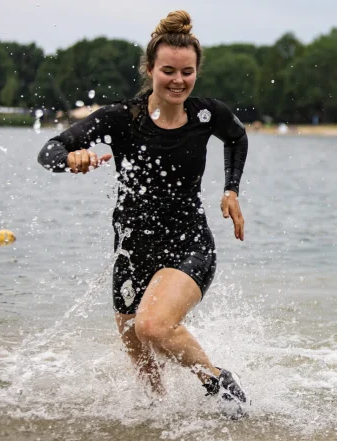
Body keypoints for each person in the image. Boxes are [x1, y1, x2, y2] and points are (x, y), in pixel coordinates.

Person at [37, 10, 249, 418]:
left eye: (187, 72)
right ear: (150, 69)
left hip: (189, 246)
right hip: (131, 252)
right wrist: (72, 158)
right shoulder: (123, 119)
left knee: (152, 325)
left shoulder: (207, 115)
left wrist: (231, 188)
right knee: (147, 383)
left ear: (196, 73)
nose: (178, 80)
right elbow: (50, 150)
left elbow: (237, 138)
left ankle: (219, 382)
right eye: (168, 70)